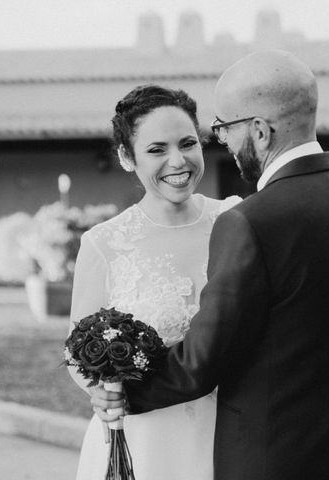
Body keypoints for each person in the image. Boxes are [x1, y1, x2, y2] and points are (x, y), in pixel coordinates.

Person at [116, 50, 329, 480]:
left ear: (260, 131)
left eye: (225, 128)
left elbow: (200, 363)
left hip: (271, 459)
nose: (223, 142)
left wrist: (121, 391)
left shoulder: (249, 221)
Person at [67, 84, 240, 480]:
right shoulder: (105, 244)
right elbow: (78, 349)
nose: (178, 161)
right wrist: (99, 390)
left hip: (230, 431)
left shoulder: (236, 219)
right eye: (157, 149)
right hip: (145, 441)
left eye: (188, 143)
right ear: (128, 157)